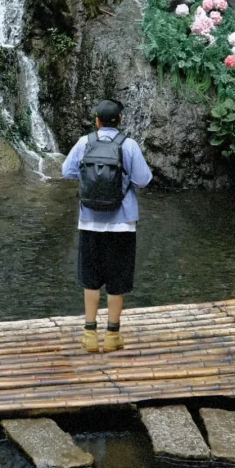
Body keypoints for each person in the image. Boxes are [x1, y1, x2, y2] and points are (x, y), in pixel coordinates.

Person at [62, 99, 152, 353]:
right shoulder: (130, 145)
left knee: (90, 279)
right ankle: (113, 336)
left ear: (97, 121)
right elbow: (143, 180)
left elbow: (66, 171)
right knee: (117, 280)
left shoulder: (84, 142)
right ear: (120, 120)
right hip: (123, 224)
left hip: (90, 221)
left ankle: (89, 334)